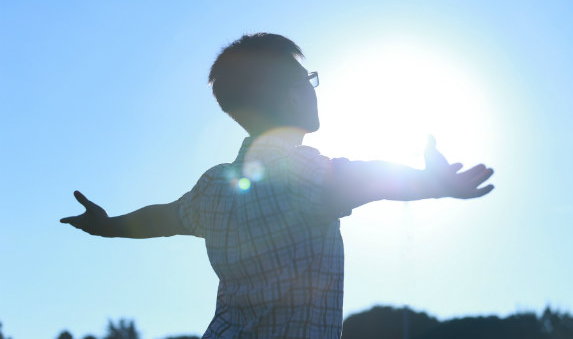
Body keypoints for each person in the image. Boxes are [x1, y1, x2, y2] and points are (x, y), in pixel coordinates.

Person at [61, 33, 494, 339]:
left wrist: (107, 225)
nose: (314, 90)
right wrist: (433, 184)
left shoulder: (214, 186)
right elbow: (360, 178)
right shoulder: (299, 171)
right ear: (292, 97)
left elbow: (163, 218)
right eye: (309, 81)